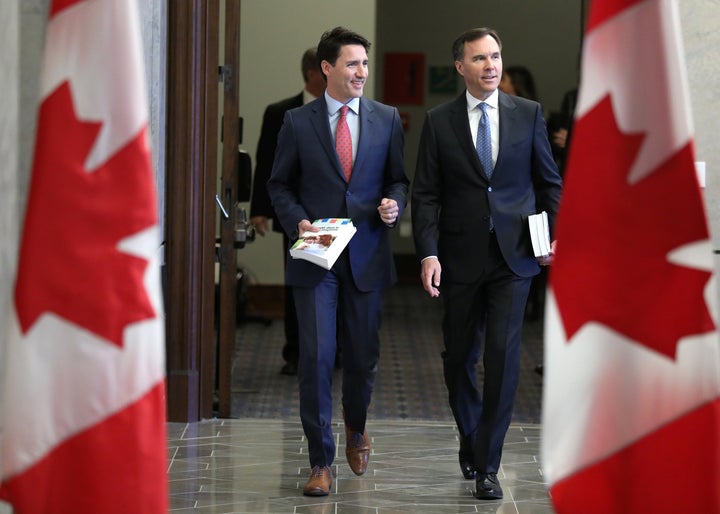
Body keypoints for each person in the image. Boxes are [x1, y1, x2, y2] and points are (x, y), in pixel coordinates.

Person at [411, 27, 562, 501]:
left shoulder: (529, 114)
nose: (491, 66)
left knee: (502, 357)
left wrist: (555, 233)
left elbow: (548, 182)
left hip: (514, 258)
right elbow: (426, 195)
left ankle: (488, 464)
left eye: (495, 56)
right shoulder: (439, 121)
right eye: (479, 59)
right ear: (461, 67)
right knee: (458, 358)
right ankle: (471, 435)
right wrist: (429, 252)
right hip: (458, 258)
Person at [267, 26, 408, 497]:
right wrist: (297, 222)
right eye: (352, 64)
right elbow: (279, 185)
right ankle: (320, 460)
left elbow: (398, 181)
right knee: (317, 357)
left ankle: (356, 429)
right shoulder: (296, 122)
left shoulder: (387, 119)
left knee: (362, 358)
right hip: (316, 258)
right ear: (326, 69)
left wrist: (392, 204)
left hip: (367, 254)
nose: (361, 72)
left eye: (364, 64)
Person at [249, 48, 326, 376]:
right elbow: (265, 160)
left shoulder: (342, 110)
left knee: (331, 284)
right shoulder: (280, 112)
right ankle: (296, 351)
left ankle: (330, 351)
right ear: (312, 74)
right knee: (299, 284)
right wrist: (259, 210)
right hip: (295, 214)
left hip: (335, 215)